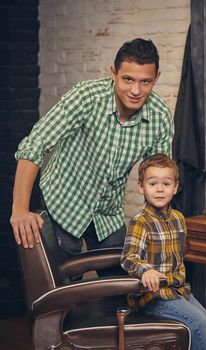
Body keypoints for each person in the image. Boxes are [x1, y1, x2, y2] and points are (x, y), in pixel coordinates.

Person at [10, 38, 174, 273]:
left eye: (145, 82)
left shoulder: (159, 117)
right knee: (65, 291)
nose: (136, 90)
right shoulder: (86, 97)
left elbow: (159, 177)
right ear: (113, 73)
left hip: (108, 213)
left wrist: (156, 228)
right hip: (64, 203)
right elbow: (35, 145)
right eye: (128, 79)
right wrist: (19, 209)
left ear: (156, 78)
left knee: (121, 287)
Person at [121, 153, 206, 350]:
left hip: (179, 290)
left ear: (175, 187)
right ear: (141, 186)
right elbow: (128, 257)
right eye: (153, 184)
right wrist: (146, 270)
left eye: (166, 184)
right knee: (199, 326)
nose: (160, 189)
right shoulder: (140, 222)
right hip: (154, 296)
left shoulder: (178, 218)